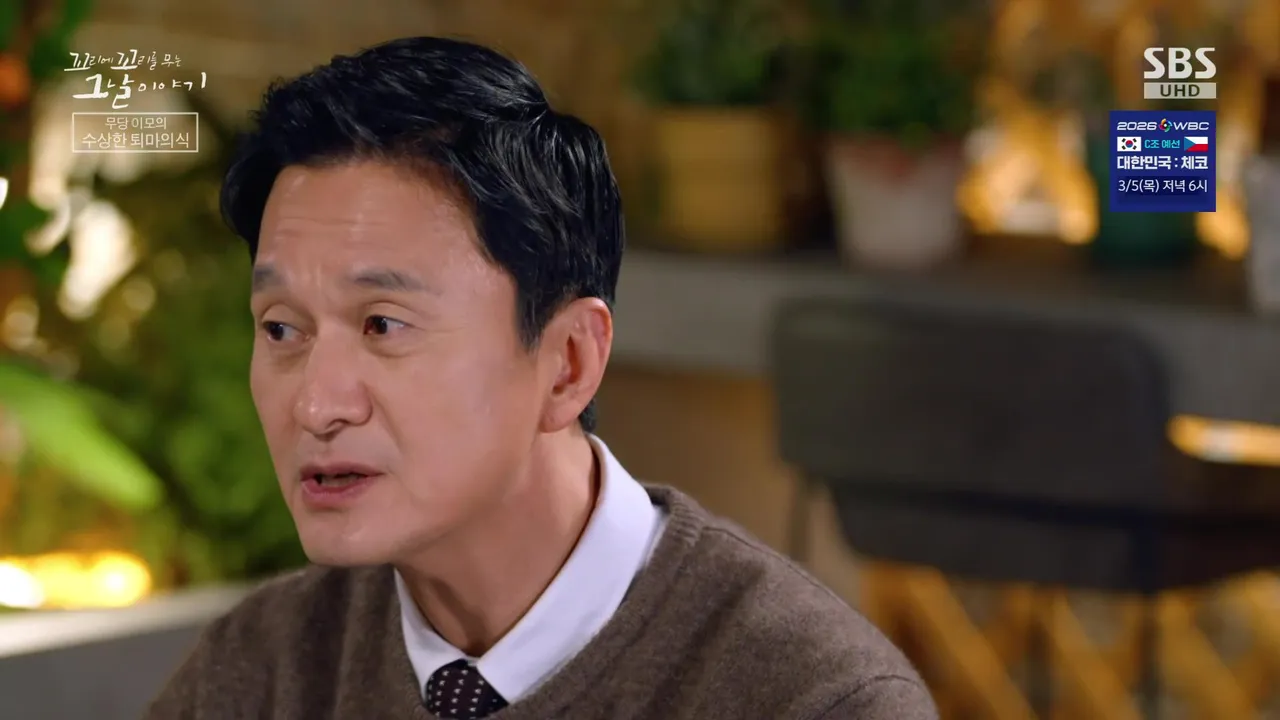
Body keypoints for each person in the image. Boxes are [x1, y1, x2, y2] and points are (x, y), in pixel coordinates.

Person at [145, 36, 936, 720]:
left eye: (382, 324)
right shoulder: (259, 671)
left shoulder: (813, 699)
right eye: (282, 329)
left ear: (569, 363)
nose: (317, 404)